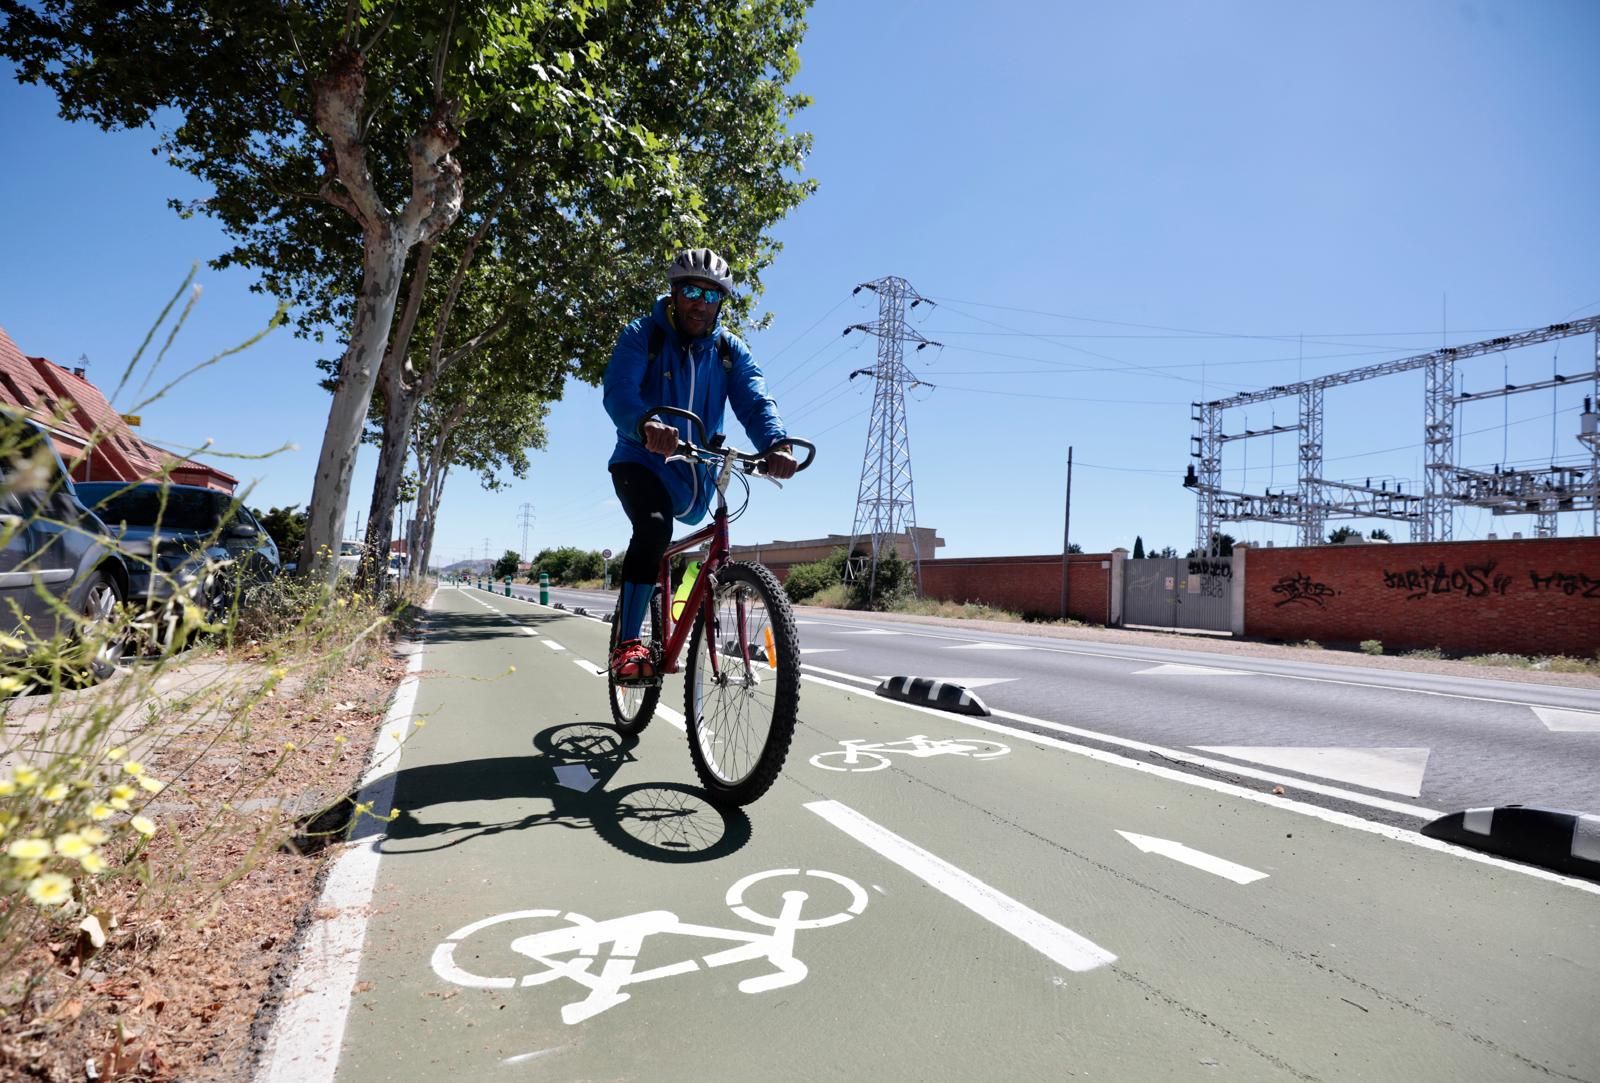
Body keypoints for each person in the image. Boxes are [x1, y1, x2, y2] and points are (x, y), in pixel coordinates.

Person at [602, 248, 796, 680]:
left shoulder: (729, 351)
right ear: (673, 293)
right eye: (691, 291)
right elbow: (619, 391)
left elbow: (755, 399)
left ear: (721, 303)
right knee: (654, 526)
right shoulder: (642, 335)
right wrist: (647, 423)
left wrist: (775, 444)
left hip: (697, 471)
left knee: (704, 539)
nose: (700, 303)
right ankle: (628, 646)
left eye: (711, 296)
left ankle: (683, 605)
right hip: (641, 458)